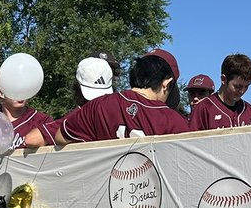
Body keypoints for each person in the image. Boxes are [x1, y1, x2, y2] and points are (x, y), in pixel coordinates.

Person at [25, 51, 190, 147]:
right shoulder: (173, 120)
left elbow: (60, 136)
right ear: (166, 84)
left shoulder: (97, 106)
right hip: (152, 199)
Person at [189, 53, 251, 131]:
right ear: (223, 79)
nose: (242, 91)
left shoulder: (249, 110)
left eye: (247, 86)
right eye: (237, 86)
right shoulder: (203, 108)